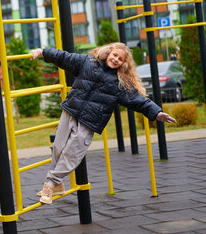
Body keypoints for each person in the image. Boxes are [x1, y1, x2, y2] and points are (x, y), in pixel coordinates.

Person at [30, 42, 176, 204]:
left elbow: (138, 100)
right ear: (108, 52)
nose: (115, 60)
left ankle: (50, 183)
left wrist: (157, 112)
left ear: (123, 64)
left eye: (120, 59)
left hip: (90, 121)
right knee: (58, 146)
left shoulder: (119, 83)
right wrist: (42, 51)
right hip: (71, 110)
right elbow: (65, 58)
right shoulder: (88, 62)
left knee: (73, 152)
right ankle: (56, 184)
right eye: (114, 55)